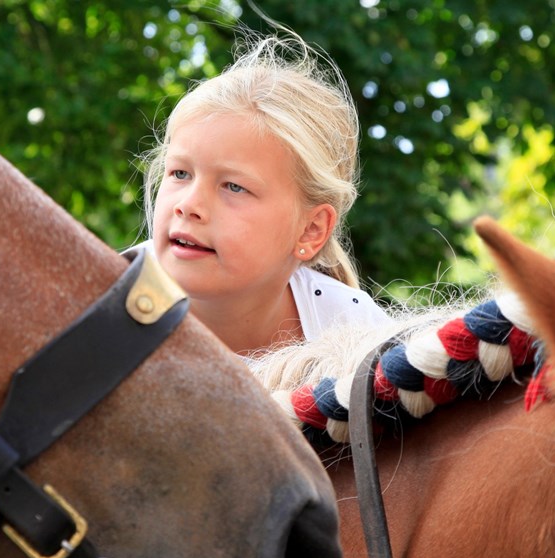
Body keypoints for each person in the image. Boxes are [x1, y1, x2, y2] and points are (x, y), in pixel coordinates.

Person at [134, 28, 390, 357]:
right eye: (180, 173)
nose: (188, 205)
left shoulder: (361, 341)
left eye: (234, 186)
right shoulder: (100, 310)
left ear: (311, 230)